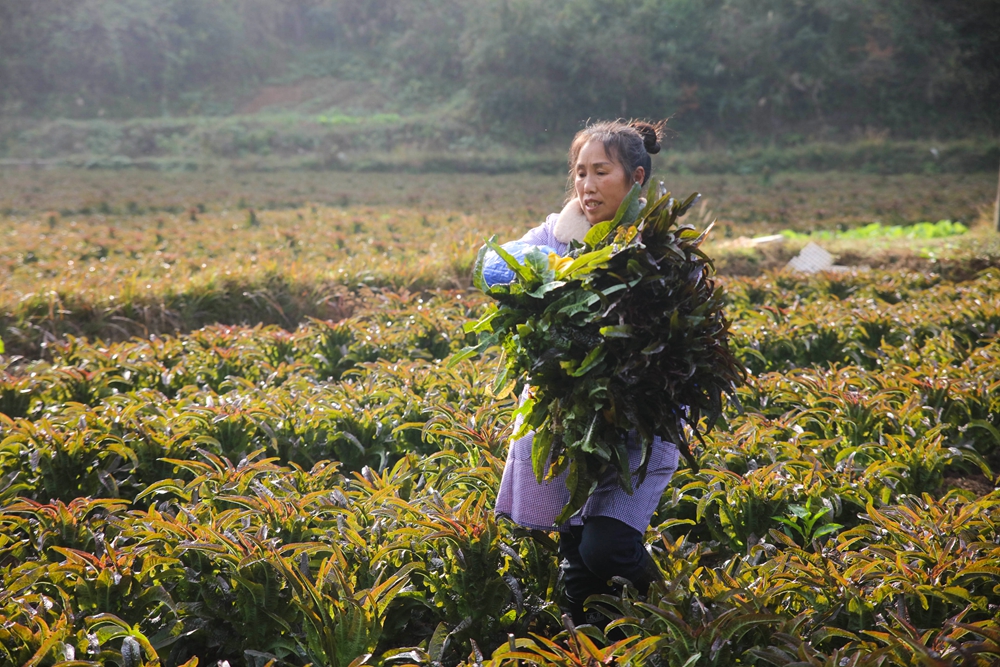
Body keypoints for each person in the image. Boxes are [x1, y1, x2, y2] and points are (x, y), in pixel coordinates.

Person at [492, 119, 681, 628]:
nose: (588, 185)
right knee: (578, 561)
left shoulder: (665, 251)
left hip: (638, 430)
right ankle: (593, 646)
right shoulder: (556, 233)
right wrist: (549, 262)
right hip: (571, 426)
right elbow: (490, 264)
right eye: (580, 173)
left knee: (608, 548)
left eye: (601, 171)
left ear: (636, 178)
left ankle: (679, 613)